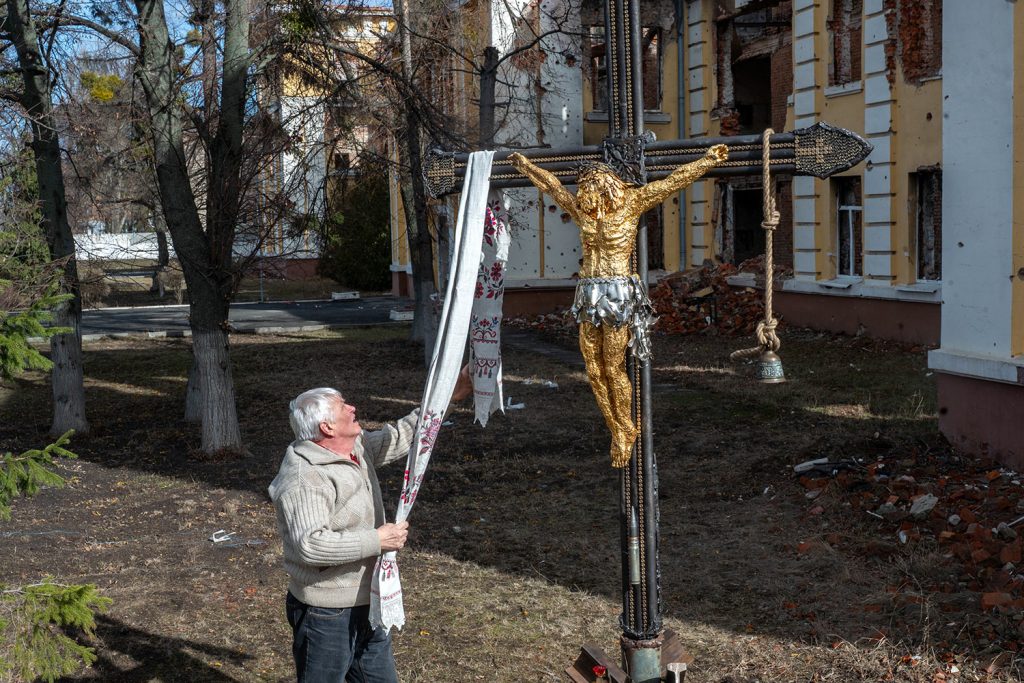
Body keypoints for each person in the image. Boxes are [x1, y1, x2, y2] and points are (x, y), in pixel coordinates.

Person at [509, 145, 728, 467]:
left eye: (590, 186)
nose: (585, 193)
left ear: (606, 183)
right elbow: (552, 186)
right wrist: (526, 166)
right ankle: (617, 427)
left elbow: (675, 181)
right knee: (592, 369)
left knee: (613, 367)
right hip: (588, 294)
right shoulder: (583, 210)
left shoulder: (632, 203)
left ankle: (624, 429)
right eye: (582, 188)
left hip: (616, 295)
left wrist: (707, 160)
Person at [270, 367, 472, 682]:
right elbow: (310, 545)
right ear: (327, 426)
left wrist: (447, 396)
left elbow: (403, 436)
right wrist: (377, 540)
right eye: (343, 407)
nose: (353, 408)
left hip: (369, 602)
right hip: (326, 613)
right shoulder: (305, 476)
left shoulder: (354, 450)